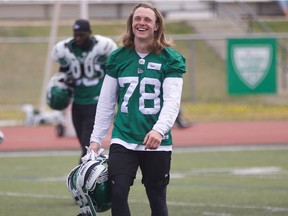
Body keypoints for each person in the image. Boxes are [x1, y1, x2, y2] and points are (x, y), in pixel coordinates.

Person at [89, 3, 186, 216]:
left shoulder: (170, 59)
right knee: (117, 192)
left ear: (156, 25)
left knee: (157, 197)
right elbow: (106, 103)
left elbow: (172, 102)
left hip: (156, 143)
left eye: (147, 19)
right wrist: (96, 139)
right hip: (123, 138)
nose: (141, 23)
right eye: (137, 18)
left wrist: (159, 130)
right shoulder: (118, 58)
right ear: (131, 23)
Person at [51, 19, 117, 163]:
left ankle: (84, 179)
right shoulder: (67, 49)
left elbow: (112, 73)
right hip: (77, 103)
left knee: (88, 147)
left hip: (95, 103)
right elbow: (63, 72)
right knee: (83, 144)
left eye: (82, 34)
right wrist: (64, 84)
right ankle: (91, 177)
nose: (78, 38)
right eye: (76, 35)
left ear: (89, 33)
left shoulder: (102, 47)